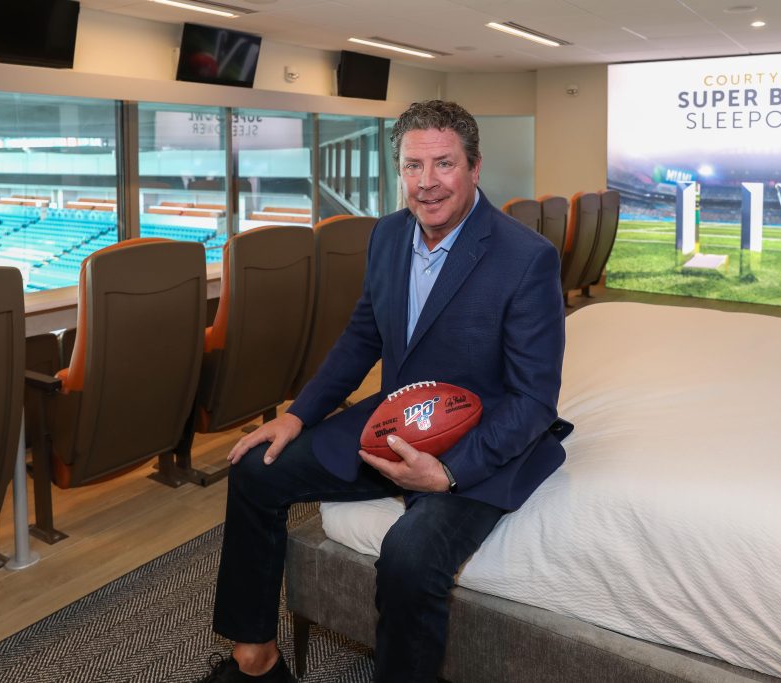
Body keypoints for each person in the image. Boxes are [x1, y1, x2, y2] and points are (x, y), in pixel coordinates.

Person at [199, 100, 567, 683]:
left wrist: (447, 474)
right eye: (413, 166)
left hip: (479, 440)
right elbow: (362, 336)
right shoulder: (389, 235)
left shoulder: (526, 258)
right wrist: (299, 415)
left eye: (444, 164)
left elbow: (533, 401)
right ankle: (257, 661)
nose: (427, 182)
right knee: (255, 468)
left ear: (474, 168)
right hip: (398, 425)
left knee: (408, 557)